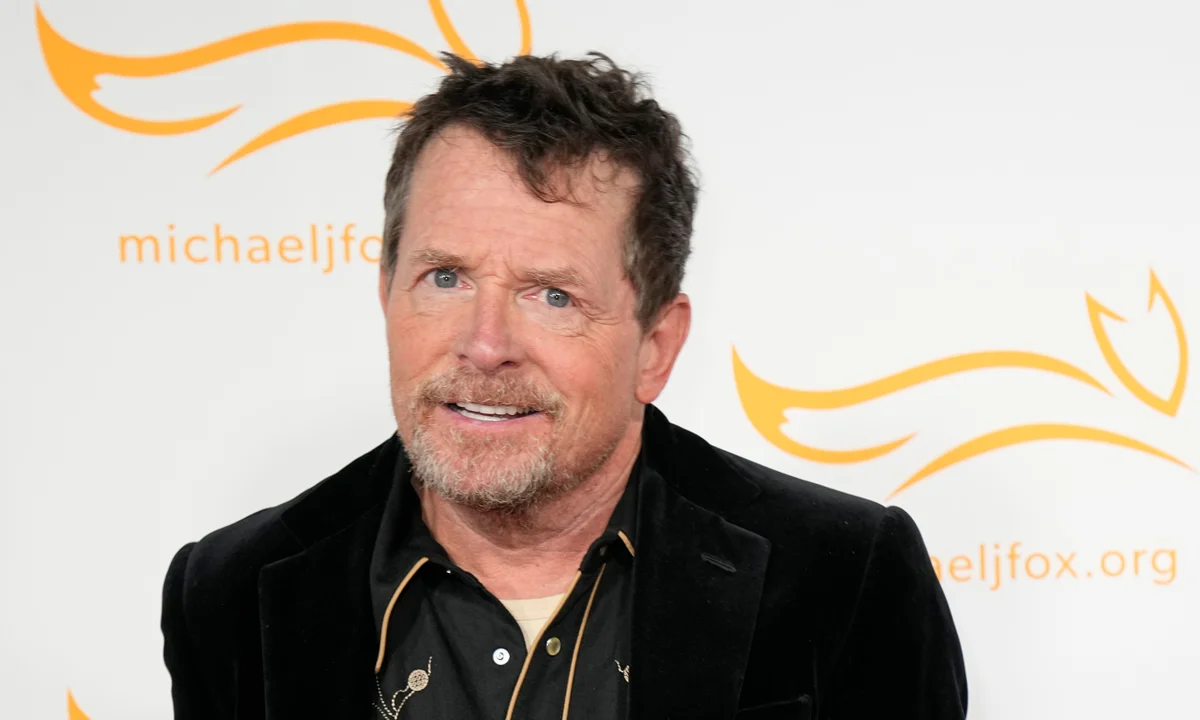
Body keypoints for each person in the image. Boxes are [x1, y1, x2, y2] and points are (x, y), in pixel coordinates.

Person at [161, 53, 967, 720]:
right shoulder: (230, 594)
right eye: (445, 278)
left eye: (552, 295)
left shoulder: (842, 575)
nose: (485, 346)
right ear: (386, 295)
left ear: (656, 346)